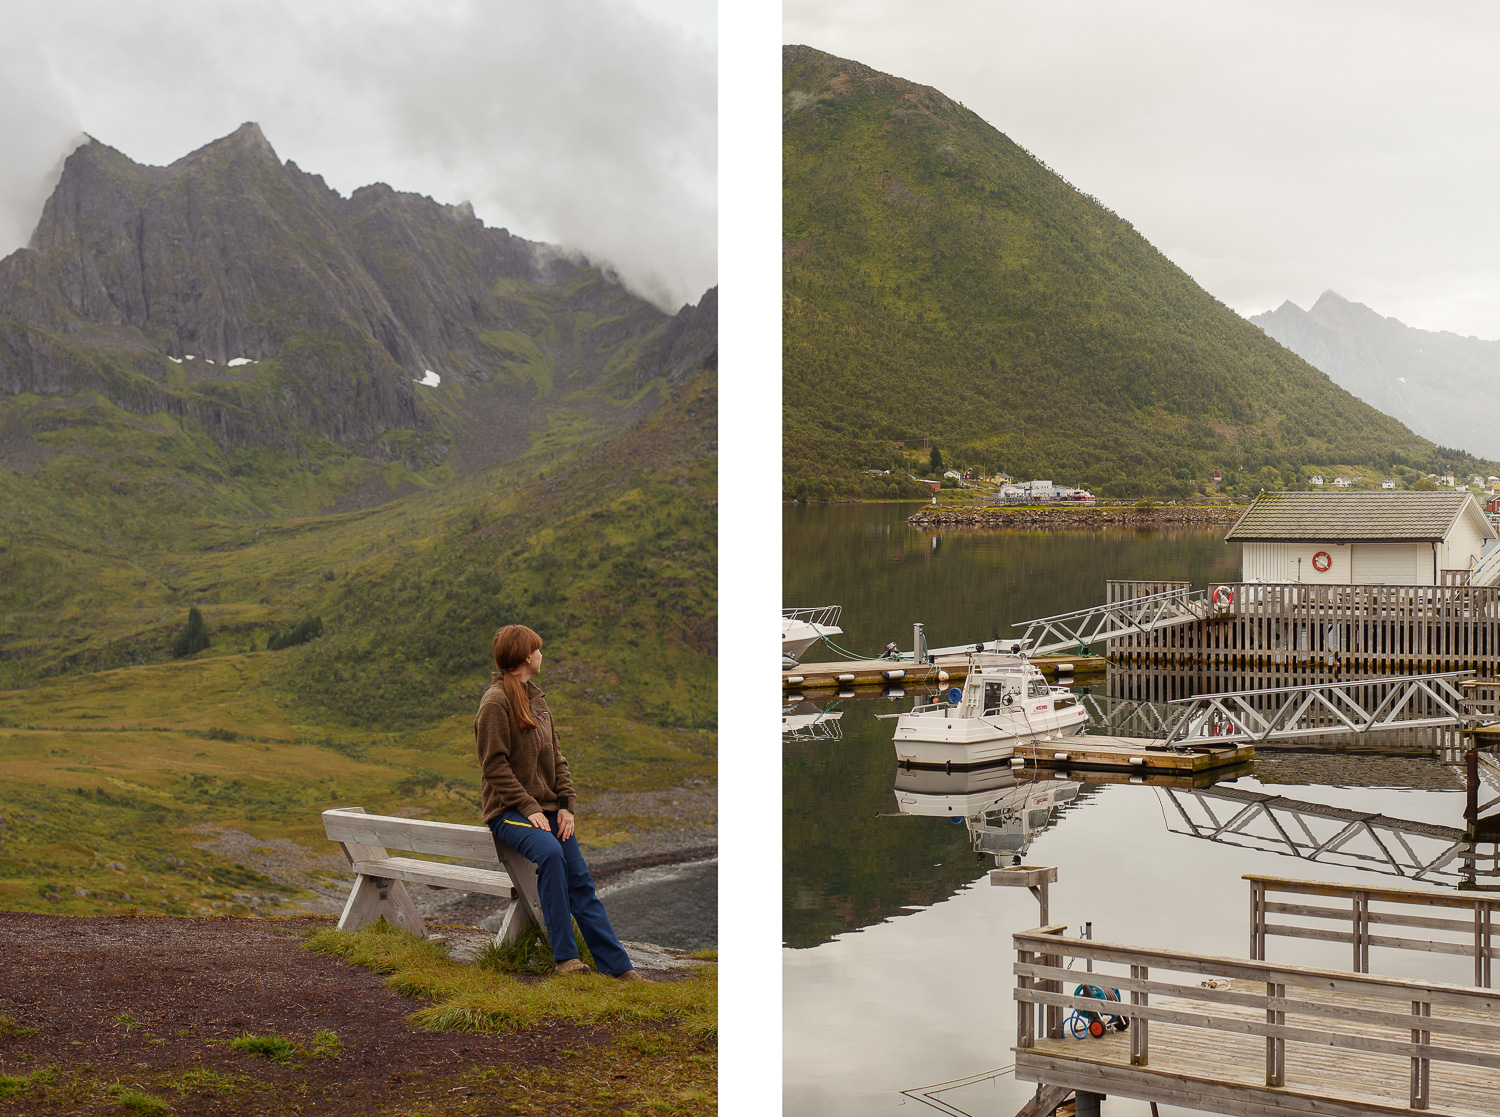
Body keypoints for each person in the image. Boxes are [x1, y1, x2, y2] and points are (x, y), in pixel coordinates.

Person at [475, 624, 643, 980]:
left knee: (580, 880)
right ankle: (566, 959)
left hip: (550, 810)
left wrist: (566, 804)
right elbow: (493, 766)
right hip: (509, 812)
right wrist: (530, 807)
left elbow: (557, 757)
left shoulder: (537, 700)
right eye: (537, 649)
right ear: (525, 656)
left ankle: (618, 967)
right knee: (550, 854)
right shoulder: (494, 702)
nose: (541, 654)